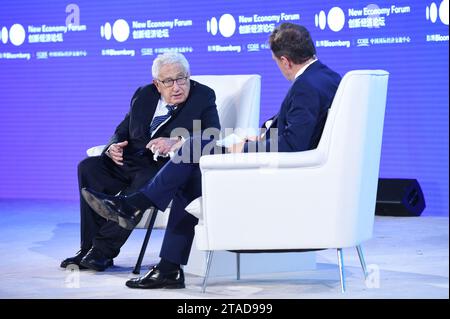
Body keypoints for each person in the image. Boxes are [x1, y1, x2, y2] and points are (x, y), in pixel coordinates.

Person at [82, 23, 341, 288]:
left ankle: (134, 206)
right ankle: (168, 267)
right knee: (190, 166)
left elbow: (293, 145)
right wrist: (265, 131)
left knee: (195, 146)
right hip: (283, 164)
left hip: (277, 171)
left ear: (285, 60)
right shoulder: (326, 77)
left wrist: (244, 148)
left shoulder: (306, 85)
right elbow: (296, 129)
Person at [60, 52, 220, 271]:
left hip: (162, 165)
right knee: (88, 168)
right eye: (168, 81)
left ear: (189, 76)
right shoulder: (143, 94)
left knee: (146, 178)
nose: (177, 87)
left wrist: (177, 141)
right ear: (157, 84)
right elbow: (123, 127)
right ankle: (87, 247)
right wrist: (112, 146)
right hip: (130, 159)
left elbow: (212, 133)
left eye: (182, 79)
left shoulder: (203, 95)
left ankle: (102, 252)